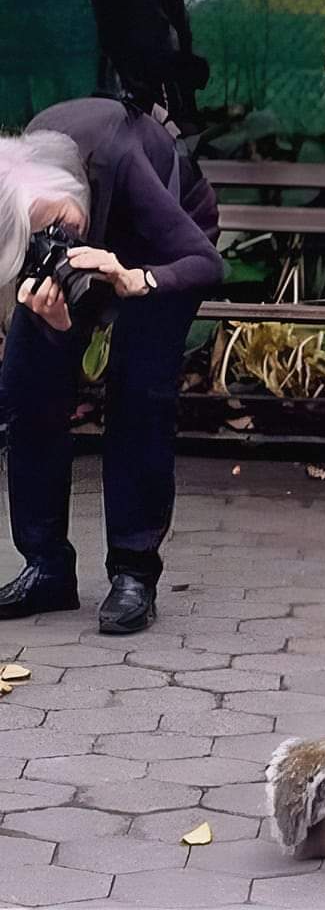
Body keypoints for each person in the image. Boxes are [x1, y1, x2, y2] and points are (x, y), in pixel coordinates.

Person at [0, 97, 223, 633]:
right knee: (26, 388)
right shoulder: (17, 178)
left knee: (139, 389)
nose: (58, 243)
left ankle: (133, 571)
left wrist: (137, 279)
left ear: (67, 191)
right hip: (80, 242)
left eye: (58, 225)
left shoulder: (119, 159)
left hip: (164, 249)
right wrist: (53, 334)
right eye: (37, 242)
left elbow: (205, 264)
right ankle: (46, 565)